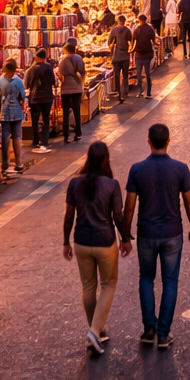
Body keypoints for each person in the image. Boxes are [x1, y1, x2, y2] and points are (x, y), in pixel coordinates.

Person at [123, 123, 190, 351]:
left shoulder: (137, 169)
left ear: (148, 141)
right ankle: (164, 334)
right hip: (172, 233)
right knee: (170, 282)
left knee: (146, 279)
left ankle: (149, 329)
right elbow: (189, 203)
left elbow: (129, 207)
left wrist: (125, 235)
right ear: (168, 141)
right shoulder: (180, 168)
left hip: (146, 233)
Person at [64, 141, 130, 356]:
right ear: (105, 159)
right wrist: (126, 238)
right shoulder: (111, 185)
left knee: (88, 287)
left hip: (81, 241)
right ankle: (94, 330)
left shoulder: (74, 183)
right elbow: (117, 216)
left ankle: (98, 331)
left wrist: (66, 241)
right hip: (105, 241)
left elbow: (68, 217)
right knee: (109, 284)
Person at [0, 58, 27, 175]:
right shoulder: (18, 81)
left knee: (5, 137)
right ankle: (18, 163)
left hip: (4, 113)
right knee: (17, 137)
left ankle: (5, 163)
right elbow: (22, 97)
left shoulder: (0, 81)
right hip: (17, 112)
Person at [25, 49, 56, 154]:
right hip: (47, 97)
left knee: (35, 119)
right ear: (45, 57)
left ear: (37, 57)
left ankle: (35, 140)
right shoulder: (48, 68)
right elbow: (53, 82)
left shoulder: (31, 69)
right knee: (46, 119)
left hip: (35, 98)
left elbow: (27, 85)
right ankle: (45, 141)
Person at [59, 40, 88, 144]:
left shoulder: (62, 61)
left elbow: (60, 76)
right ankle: (78, 133)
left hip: (65, 90)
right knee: (76, 111)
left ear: (66, 50)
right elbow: (83, 73)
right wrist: (82, 85)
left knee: (66, 113)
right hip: (76, 88)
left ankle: (66, 135)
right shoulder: (79, 59)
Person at [109, 16, 135, 102]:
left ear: (118, 21)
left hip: (116, 56)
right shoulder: (127, 30)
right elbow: (130, 41)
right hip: (125, 55)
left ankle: (118, 93)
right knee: (125, 75)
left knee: (116, 75)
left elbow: (109, 43)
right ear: (124, 21)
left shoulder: (113, 30)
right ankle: (124, 92)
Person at [133, 13, 158, 99]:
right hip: (147, 55)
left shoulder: (137, 29)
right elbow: (153, 40)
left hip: (139, 55)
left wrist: (132, 50)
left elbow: (134, 41)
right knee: (147, 74)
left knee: (139, 74)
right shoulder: (150, 29)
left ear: (140, 20)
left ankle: (140, 90)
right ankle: (148, 93)